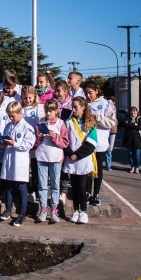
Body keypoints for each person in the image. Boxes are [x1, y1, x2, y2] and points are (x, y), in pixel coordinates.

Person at [0, 101, 35, 227]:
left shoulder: (27, 127)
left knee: (21, 187)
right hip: (9, 158)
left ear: (20, 113)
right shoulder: (8, 125)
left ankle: (22, 213)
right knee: (8, 185)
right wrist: (4, 143)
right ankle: (8, 209)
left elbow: (28, 144)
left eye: (13, 116)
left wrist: (14, 143)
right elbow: (5, 140)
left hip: (20, 160)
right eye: (9, 116)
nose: (11, 118)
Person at [63, 96, 98, 224]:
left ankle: (83, 211)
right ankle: (76, 210)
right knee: (74, 186)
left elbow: (92, 143)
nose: (73, 109)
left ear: (83, 107)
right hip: (71, 159)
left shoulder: (90, 123)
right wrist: (70, 153)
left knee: (82, 187)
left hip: (83, 159)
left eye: (76, 107)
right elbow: (65, 140)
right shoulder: (68, 122)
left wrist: (77, 155)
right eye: (72, 107)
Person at [34, 100, 68, 223]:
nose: (48, 113)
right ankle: (43, 209)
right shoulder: (40, 123)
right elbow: (36, 144)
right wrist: (39, 136)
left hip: (55, 158)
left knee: (55, 185)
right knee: (42, 185)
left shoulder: (60, 123)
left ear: (56, 111)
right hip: (42, 156)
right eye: (47, 110)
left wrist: (54, 136)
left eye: (51, 111)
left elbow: (64, 142)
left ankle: (54, 209)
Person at [83, 81, 116, 206]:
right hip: (86, 141)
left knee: (98, 169)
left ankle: (96, 194)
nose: (88, 96)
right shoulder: (84, 104)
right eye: (86, 93)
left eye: (90, 93)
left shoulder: (106, 104)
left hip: (100, 142)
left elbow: (112, 122)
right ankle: (87, 192)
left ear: (96, 91)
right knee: (87, 168)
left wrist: (99, 118)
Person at [123, 106, 141, 174]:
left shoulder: (139, 118)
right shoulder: (127, 118)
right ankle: (132, 167)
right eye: (132, 111)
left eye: (134, 111)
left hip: (137, 138)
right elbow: (125, 124)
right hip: (129, 138)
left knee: (137, 154)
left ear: (137, 112)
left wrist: (131, 126)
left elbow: (140, 126)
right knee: (130, 154)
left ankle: (137, 167)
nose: (133, 112)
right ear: (130, 112)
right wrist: (134, 124)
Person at [105, 96, 119, 171]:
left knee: (109, 149)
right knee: (103, 148)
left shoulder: (115, 111)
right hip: (106, 130)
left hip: (113, 131)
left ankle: (108, 165)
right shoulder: (106, 109)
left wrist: (117, 128)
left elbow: (118, 120)